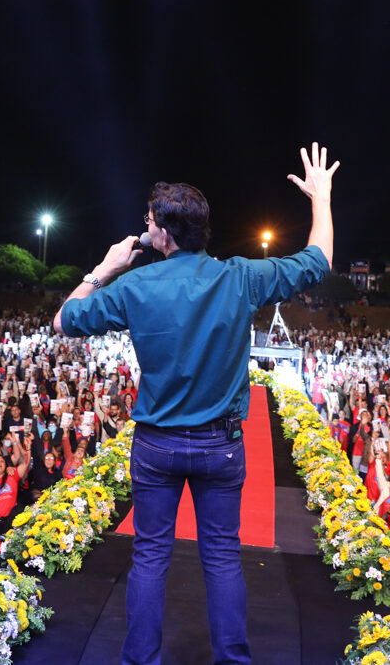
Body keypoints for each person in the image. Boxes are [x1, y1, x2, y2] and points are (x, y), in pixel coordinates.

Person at [53, 142, 336, 665]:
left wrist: (104, 266)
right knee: (223, 560)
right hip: (221, 448)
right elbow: (317, 262)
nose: (143, 226)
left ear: (162, 231)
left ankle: (141, 660)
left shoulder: (135, 284)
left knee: (151, 558)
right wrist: (321, 198)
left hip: (156, 447)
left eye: (147, 219)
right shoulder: (239, 277)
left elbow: (65, 321)